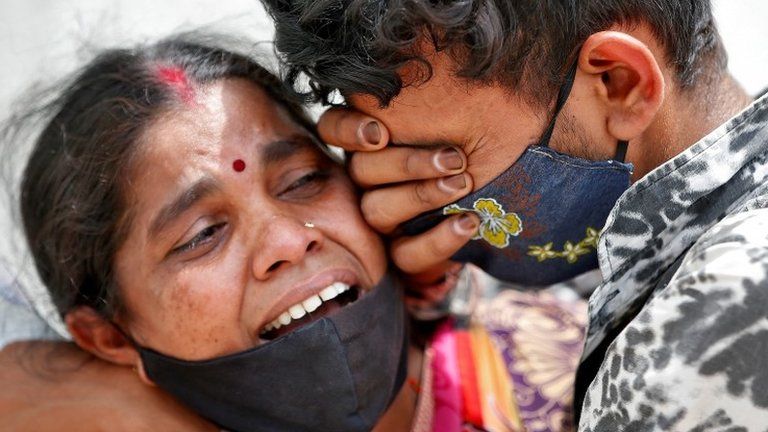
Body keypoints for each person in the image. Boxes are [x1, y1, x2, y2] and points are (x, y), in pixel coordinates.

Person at [0, 36, 587, 431]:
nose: (288, 241)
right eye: (203, 234)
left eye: (305, 179)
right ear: (107, 338)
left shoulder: (577, 362)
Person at [259, 0, 768, 429]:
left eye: (445, 160)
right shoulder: (654, 259)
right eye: (388, 158)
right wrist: (432, 292)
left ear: (619, 81)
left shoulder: (704, 327)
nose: (420, 202)